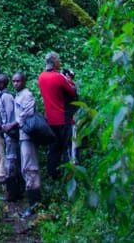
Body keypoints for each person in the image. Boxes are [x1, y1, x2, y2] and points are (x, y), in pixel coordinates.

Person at [37, 51, 78, 179]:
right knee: (69, 148)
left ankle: (52, 174)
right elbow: (72, 92)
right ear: (54, 62)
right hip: (63, 118)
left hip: (50, 119)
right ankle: (70, 175)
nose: (59, 63)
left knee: (53, 148)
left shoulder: (41, 77)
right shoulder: (59, 77)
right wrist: (69, 80)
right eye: (58, 60)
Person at [12, 72, 41, 217]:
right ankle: (32, 202)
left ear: (24, 81)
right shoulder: (18, 95)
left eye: (18, 81)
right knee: (25, 168)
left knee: (30, 168)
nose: (15, 84)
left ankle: (35, 204)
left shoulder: (27, 95)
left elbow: (26, 114)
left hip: (28, 135)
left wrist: (14, 124)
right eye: (14, 81)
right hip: (22, 135)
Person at [0, 74, 24, 202]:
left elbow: (9, 115)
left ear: (3, 84)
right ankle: (14, 192)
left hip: (11, 134)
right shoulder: (2, 95)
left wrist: (6, 127)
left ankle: (13, 193)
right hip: (7, 133)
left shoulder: (6, 97)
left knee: (11, 162)